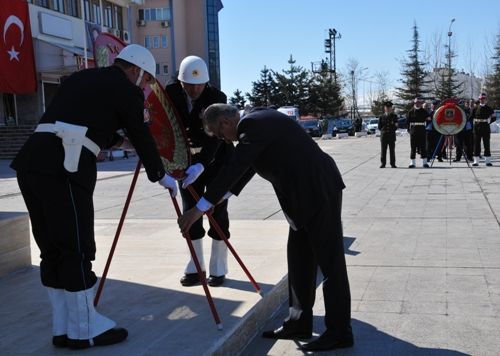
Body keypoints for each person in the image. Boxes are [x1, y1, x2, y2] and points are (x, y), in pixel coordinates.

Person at [10, 44, 178, 349]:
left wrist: (119, 142)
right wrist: (161, 175)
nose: (146, 86)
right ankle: (85, 329)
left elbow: (87, 120)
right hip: (65, 167)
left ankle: (64, 328)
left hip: (32, 163)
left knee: (52, 248)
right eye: (147, 79)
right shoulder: (127, 89)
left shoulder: (81, 78)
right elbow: (141, 134)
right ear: (136, 69)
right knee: (76, 247)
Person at [178, 104, 353, 352]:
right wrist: (217, 200)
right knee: (299, 260)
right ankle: (298, 322)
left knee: (330, 264)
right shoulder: (255, 124)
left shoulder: (251, 125)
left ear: (226, 122)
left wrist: (198, 208)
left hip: (318, 192)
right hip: (302, 197)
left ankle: (340, 332)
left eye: (218, 134)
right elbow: (247, 169)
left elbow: (236, 166)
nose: (221, 139)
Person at [165, 56, 233, 287]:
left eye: (199, 84)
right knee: (190, 212)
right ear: (181, 82)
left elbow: (216, 136)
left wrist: (202, 163)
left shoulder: (217, 98)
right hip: (186, 160)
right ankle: (195, 266)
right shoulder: (170, 93)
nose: (194, 89)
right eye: (189, 85)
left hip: (216, 159)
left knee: (217, 211)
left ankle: (218, 267)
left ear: (206, 83)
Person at [471, 93, 496, 166]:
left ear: (486, 100)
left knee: (486, 144)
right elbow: (471, 117)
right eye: (481, 99)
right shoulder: (475, 108)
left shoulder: (489, 108)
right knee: (476, 144)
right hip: (477, 127)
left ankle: (487, 161)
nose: (482, 100)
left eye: (483, 99)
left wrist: (489, 122)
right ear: (479, 100)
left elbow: (494, 117)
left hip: (485, 127)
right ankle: (476, 161)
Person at [407, 97, 429, 168]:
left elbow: (429, 119)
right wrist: (409, 130)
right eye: (416, 103)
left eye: (419, 103)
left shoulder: (424, 111)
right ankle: (412, 163)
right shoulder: (411, 111)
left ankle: (425, 163)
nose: (417, 104)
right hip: (413, 130)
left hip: (422, 130)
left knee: (423, 146)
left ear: (421, 103)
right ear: (414, 103)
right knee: (413, 147)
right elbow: (407, 122)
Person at [378, 101, 398, 168]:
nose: (388, 109)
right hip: (384, 136)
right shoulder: (381, 116)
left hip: (391, 136)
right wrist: (384, 132)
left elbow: (396, 126)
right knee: (383, 151)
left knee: (392, 151)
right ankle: (383, 163)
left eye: (389, 107)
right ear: (384, 108)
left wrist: (391, 130)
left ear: (391, 108)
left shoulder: (394, 116)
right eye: (387, 107)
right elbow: (379, 127)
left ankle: (393, 164)